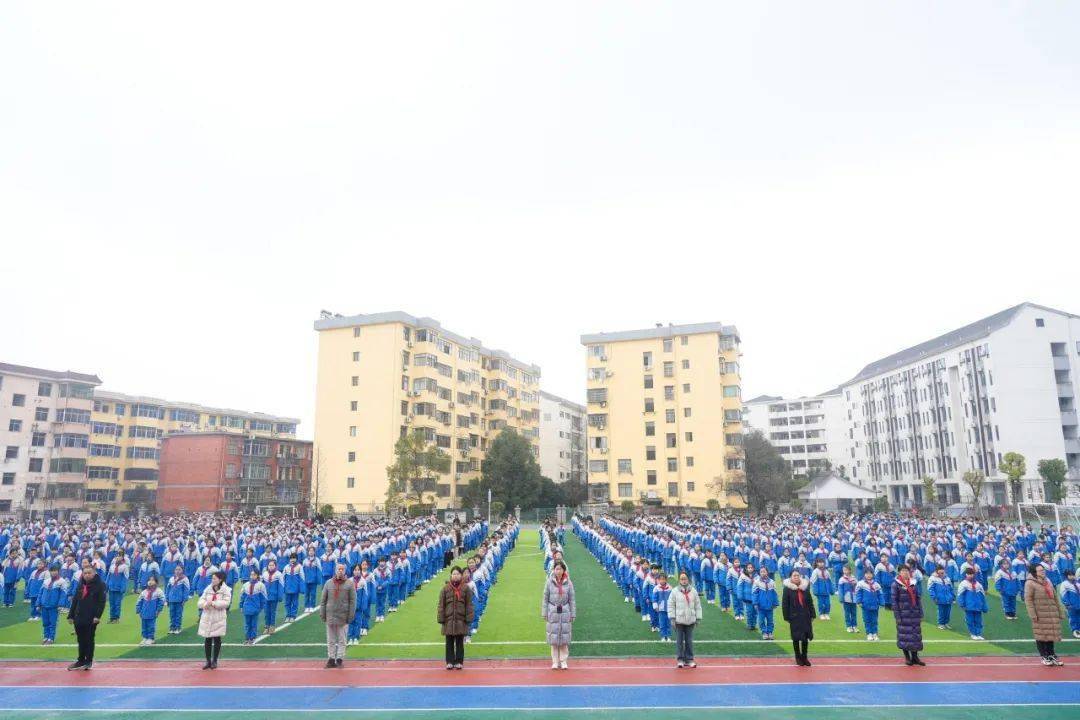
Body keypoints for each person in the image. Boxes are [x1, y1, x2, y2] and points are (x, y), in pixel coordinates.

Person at [1024, 562, 1064, 666]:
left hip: (1051, 613)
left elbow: (1055, 597)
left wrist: (1060, 611)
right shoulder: (1030, 583)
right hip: (1039, 614)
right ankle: (1044, 656)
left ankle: (1051, 654)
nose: (1043, 572)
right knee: (1041, 635)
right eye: (1040, 570)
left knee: (1050, 635)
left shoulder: (1048, 581)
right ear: (1034, 572)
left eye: (1043, 570)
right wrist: (1032, 614)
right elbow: (1028, 600)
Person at [67, 564, 106, 671]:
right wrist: (71, 615)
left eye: (89, 573)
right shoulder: (81, 584)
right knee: (80, 639)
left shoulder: (100, 585)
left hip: (91, 617)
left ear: (94, 573)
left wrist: (97, 616)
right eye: (85, 573)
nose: (87, 575)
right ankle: (80, 660)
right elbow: (75, 600)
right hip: (79, 616)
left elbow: (101, 602)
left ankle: (88, 661)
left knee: (89, 639)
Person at [319, 562, 356, 668]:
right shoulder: (328, 583)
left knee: (342, 639)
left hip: (343, 616)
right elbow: (323, 600)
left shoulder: (349, 584)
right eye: (338, 569)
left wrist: (350, 615)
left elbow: (353, 601)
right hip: (330, 615)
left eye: (342, 569)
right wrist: (322, 613)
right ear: (335, 570)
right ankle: (331, 658)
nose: (340, 571)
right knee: (330, 639)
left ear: (345, 571)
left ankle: (339, 659)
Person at [437, 565, 473, 670]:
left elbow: (469, 604)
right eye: (453, 574)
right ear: (451, 575)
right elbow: (441, 605)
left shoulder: (466, 588)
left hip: (461, 620)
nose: (455, 576)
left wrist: (469, 618)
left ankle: (459, 661)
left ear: (461, 575)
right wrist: (441, 618)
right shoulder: (445, 588)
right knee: (449, 642)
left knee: (459, 642)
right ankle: (449, 661)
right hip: (448, 620)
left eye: (457, 574)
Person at [542, 560, 576, 670]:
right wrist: (544, 612)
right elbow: (545, 598)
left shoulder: (568, 582)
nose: (558, 571)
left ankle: (564, 661)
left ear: (564, 570)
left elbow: (572, 599)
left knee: (564, 638)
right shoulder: (549, 582)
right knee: (554, 638)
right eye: (556, 569)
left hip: (565, 611)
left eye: (560, 569)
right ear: (553, 570)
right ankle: (555, 662)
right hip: (553, 611)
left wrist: (573, 613)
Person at [667, 570, 702, 668]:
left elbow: (698, 605)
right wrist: (672, 618)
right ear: (679, 580)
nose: (683, 581)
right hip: (678, 620)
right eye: (682, 579)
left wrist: (698, 618)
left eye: (685, 579)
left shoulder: (693, 591)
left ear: (688, 580)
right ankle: (680, 659)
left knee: (689, 641)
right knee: (679, 641)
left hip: (690, 620)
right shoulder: (674, 591)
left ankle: (689, 659)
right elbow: (670, 605)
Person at [892, 564, 925, 666]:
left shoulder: (913, 583)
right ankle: (907, 657)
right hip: (903, 613)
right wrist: (897, 615)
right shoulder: (896, 584)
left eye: (907, 570)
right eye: (903, 571)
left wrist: (920, 611)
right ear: (899, 572)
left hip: (914, 613)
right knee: (905, 636)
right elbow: (894, 601)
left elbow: (918, 598)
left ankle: (915, 657)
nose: (905, 572)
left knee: (915, 636)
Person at [197, 570, 231, 669]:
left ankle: (214, 660)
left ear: (220, 580)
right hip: (207, 617)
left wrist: (213, 603)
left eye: (214, 578)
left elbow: (226, 603)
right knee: (207, 638)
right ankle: (208, 661)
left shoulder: (226, 590)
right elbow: (200, 601)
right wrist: (205, 604)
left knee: (217, 638)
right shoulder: (208, 589)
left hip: (218, 617)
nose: (212, 580)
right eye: (212, 578)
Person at [781, 569, 815, 667]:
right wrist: (786, 617)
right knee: (796, 637)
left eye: (797, 575)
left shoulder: (805, 587)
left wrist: (812, 614)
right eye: (794, 576)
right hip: (794, 616)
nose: (796, 577)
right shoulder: (787, 589)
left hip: (805, 616)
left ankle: (804, 657)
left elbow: (810, 601)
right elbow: (785, 604)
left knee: (805, 637)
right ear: (790, 577)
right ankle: (797, 657)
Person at [39, 565, 70, 645]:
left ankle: (51, 638)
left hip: (54, 606)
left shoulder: (62, 581)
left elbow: (63, 594)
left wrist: (60, 605)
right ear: (50, 571)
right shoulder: (46, 581)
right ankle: (45, 637)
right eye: (52, 571)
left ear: (58, 571)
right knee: (45, 622)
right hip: (44, 605)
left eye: (55, 570)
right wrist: (38, 603)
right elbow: (41, 593)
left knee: (53, 623)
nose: (53, 572)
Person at [957, 566, 989, 640]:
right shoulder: (963, 584)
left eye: (972, 574)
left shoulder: (978, 584)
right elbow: (960, 595)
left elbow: (982, 596)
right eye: (968, 574)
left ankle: (978, 633)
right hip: (969, 606)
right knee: (970, 620)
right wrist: (962, 604)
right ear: (966, 575)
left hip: (978, 606)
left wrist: (984, 606)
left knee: (979, 620)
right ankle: (973, 633)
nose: (970, 575)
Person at [135, 578, 165, 646]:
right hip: (144, 611)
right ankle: (145, 637)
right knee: (144, 625)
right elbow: (139, 601)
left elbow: (162, 601)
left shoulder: (158, 591)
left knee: (151, 625)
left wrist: (158, 610)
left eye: (152, 580)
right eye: (149, 580)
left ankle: (151, 638)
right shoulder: (144, 592)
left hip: (152, 611)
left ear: (156, 582)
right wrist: (138, 610)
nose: (150, 582)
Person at [1061, 569, 1080, 639]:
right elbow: (1063, 595)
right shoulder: (1064, 584)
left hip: (1078, 604)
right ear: (1067, 576)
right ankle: (1075, 630)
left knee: (1079, 618)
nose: (1072, 576)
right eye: (1070, 575)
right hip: (1071, 605)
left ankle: (1079, 629)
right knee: (1072, 618)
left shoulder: (1077, 583)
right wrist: (1067, 604)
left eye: (1073, 575)